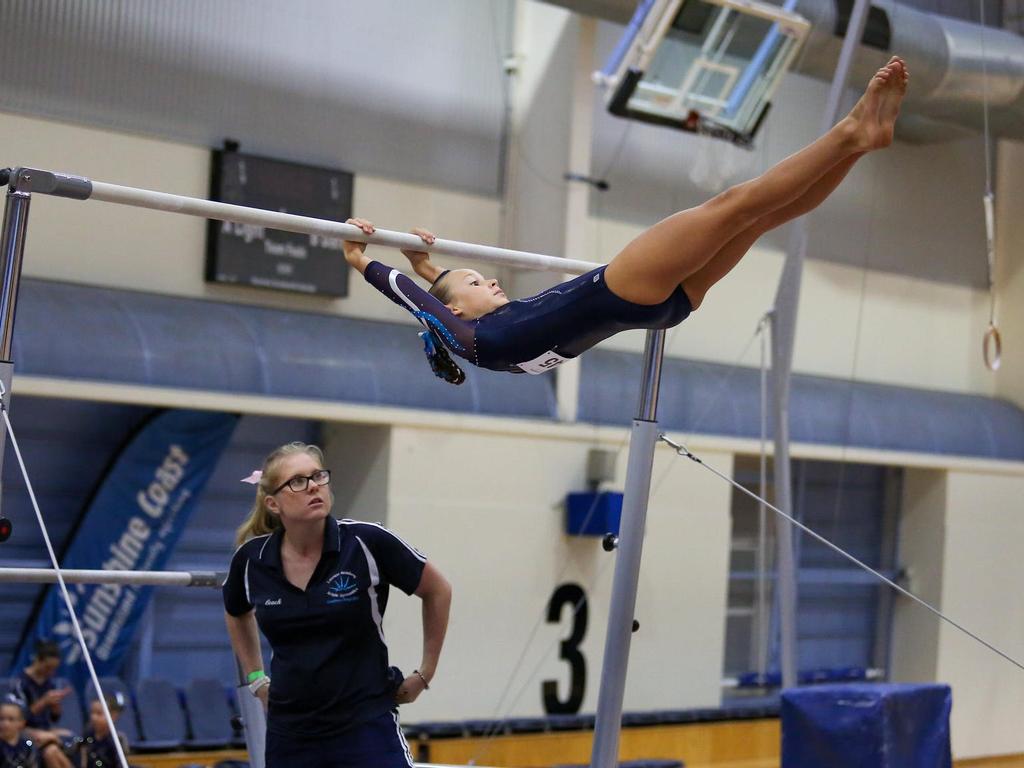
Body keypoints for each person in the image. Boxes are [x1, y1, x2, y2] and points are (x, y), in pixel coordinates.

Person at [344, 58, 909, 384]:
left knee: (757, 221)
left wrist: (427, 264)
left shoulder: (492, 337)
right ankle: (849, 133)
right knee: (735, 205)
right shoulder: (476, 341)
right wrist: (362, 260)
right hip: (624, 291)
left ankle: (862, 145)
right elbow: (422, 303)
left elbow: (440, 295)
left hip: (659, 308)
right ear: (458, 311)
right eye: (474, 283)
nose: (488, 279)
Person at [223, 441, 452, 768]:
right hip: (291, 734)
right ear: (274, 504)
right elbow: (236, 612)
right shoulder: (250, 560)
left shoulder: (367, 542)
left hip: (366, 725)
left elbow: (438, 590)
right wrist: (257, 679)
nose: (314, 486)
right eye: (298, 481)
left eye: (318, 476)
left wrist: (425, 673)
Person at [13, 641, 72, 768]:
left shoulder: (49, 683)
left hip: (44, 729)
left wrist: (56, 707)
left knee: (69, 737)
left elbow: (54, 718)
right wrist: (43, 702)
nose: (50, 672)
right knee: (51, 751)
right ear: (37, 660)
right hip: (24, 730)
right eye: (47, 667)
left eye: (54, 669)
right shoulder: (20, 683)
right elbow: (18, 718)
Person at [75, 696, 129, 768]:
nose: (93, 717)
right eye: (92, 712)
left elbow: (119, 764)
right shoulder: (87, 735)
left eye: (99, 713)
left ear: (113, 716)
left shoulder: (117, 739)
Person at [0, 698, 39, 768]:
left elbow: (33, 765)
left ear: (22, 723)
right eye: (1, 719)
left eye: (11, 719)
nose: (5, 724)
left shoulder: (28, 745)